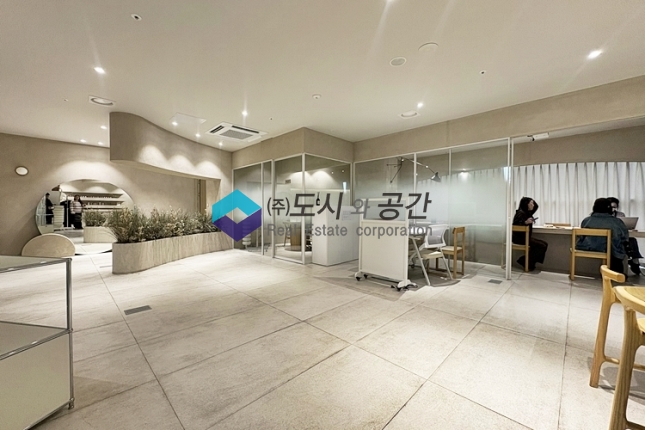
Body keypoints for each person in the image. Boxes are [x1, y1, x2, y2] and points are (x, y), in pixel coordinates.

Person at [576, 198, 629, 274]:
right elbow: (624, 237)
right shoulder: (616, 222)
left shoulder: (586, 220)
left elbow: (581, 236)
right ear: (609, 208)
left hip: (588, 247)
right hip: (610, 250)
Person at [608, 197, 642, 275]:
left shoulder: (620, 214)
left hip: (619, 235)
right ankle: (634, 261)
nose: (613, 209)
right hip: (613, 238)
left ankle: (634, 259)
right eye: (611, 207)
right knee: (629, 241)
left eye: (615, 207)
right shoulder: (605, 216)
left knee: (632, 240)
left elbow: (624, 225)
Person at [512, 197, 548, 271]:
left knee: (544, 244)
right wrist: (525, 222)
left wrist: (530, 200)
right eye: (531, 203)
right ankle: (524, 260)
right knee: (542, 245)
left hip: (525, 238)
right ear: (526, 204)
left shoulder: (527, 213)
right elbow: (515, 225)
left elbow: (536, 206)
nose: (533, 205)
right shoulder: (520, 213)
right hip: (519, 238)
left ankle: (528, 262)